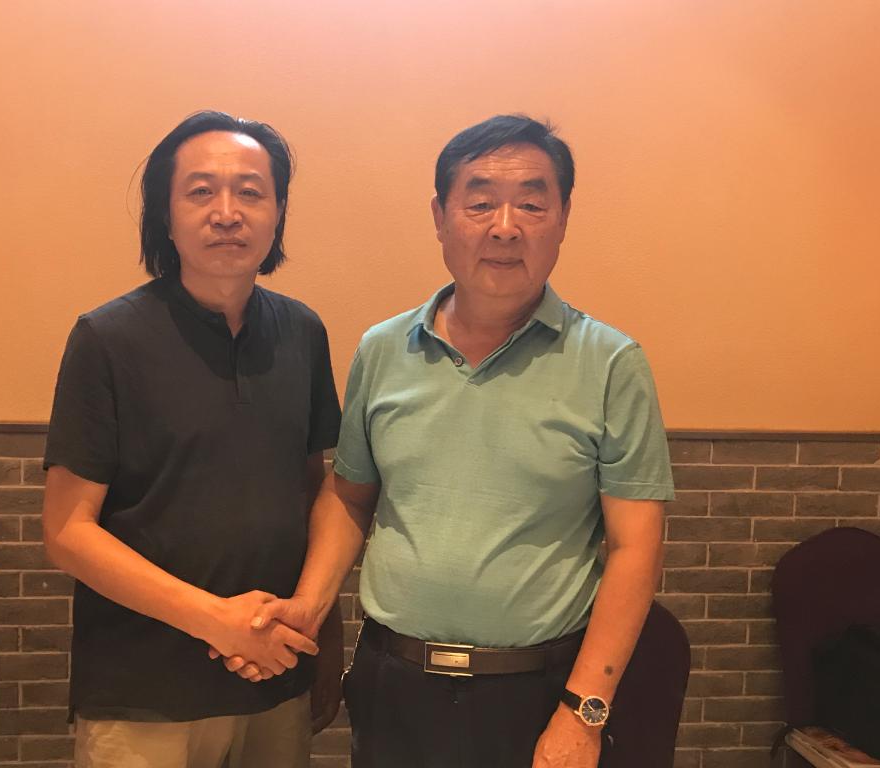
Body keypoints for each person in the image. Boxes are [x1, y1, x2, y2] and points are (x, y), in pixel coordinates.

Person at [229, 114, 675, 768]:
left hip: (538, 693)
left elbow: (636, 548)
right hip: (394, 684)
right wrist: (307, 607)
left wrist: (584, 710)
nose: (505, 226)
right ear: (440, 217)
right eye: (480, 202)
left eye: (531, 204)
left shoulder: (611, 364)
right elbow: (350, 497)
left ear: (563, 218)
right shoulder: (384, 349)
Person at [41, 110, 343, 768]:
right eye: (201, 191)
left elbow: (314, 490)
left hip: (273, 679)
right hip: (142, 693)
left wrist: (314, 625)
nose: (227, 213)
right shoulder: (107, 338)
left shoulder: (302, 333)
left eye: (251, 192)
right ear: (166, 215)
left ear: (278, 212)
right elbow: (66, 530)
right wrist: (216, 620)